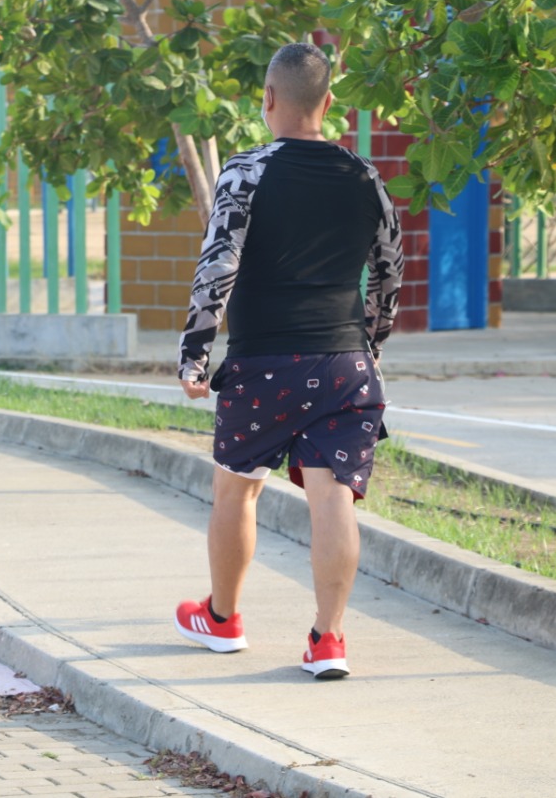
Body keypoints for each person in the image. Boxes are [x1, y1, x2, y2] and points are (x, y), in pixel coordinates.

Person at [173, 42, 404, 679]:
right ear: (329, 104)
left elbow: (218, 264)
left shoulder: (246, 172)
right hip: (345, 364)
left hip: (262, 365)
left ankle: (222, 620)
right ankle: (327, 640)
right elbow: (390, 271)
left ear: (268, 100)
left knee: (236, 490)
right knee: (334, 500)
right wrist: (371, 344)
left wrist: (195, 354)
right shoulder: (366, 178)